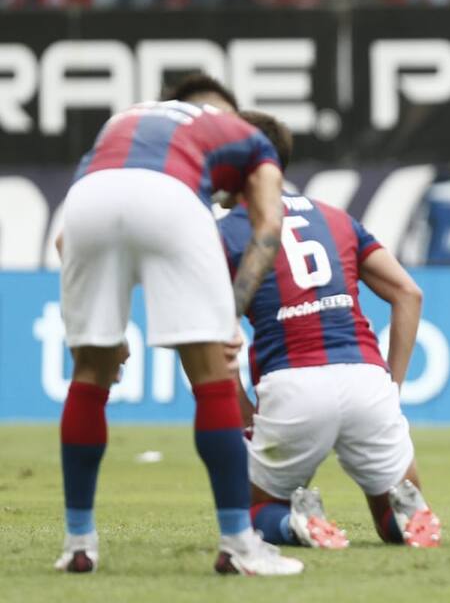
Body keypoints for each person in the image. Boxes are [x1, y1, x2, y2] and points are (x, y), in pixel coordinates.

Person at [54, 74, 300, 575]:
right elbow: (268, 227)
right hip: (170, 200)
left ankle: (79, 542)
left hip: (86, 204)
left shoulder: (126, 122)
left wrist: (109, 336)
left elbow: (67, 240)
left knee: (88, 377)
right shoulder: (256, 143)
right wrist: (226, 316)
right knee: (212, 382)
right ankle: (238, 544)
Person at [218, 112, 441, 551]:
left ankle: (295, 522)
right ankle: (409, 513)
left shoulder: (224, 232)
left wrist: (241, 407)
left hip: (292, 385)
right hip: (366, 380)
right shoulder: (334, 217)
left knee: (253, 511)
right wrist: (391, 386)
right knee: (389, 512)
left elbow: (213, 328)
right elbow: (407, 293)